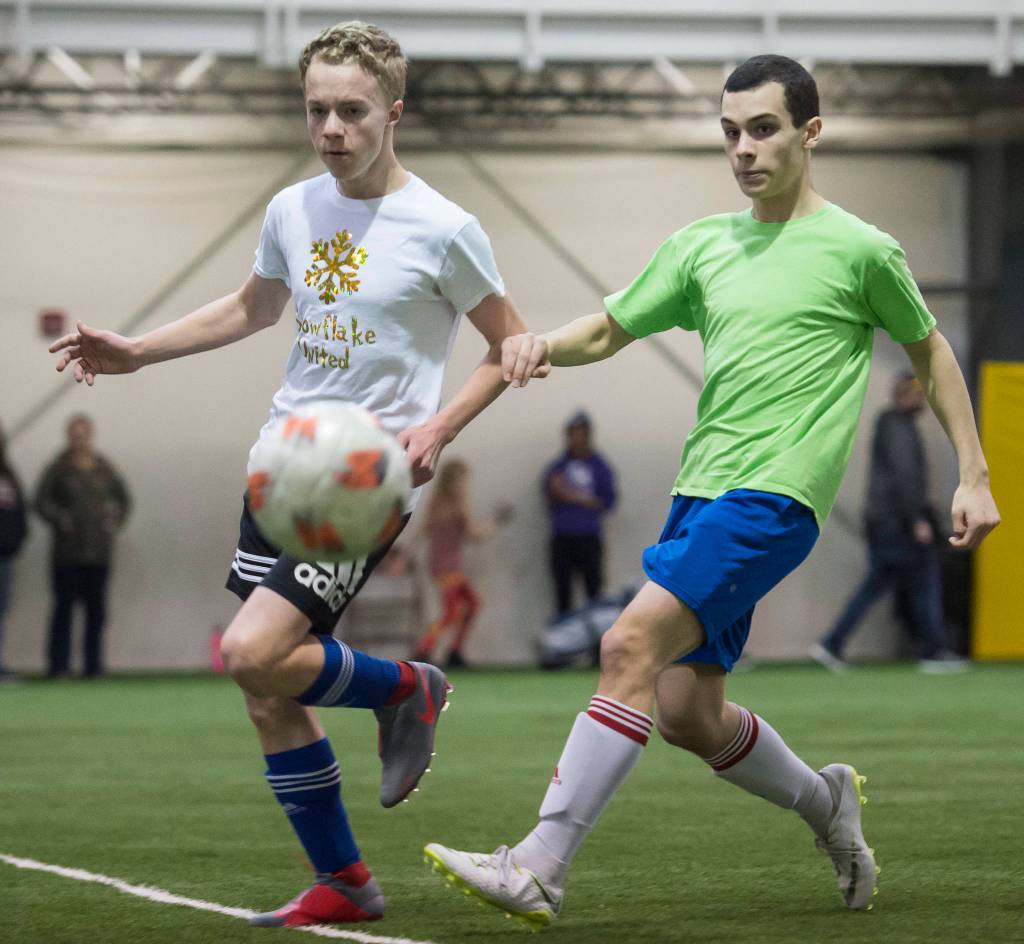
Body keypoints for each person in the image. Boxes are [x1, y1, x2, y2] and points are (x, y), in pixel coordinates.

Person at [423, 55, 1000, 928]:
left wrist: (974, 474)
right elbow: (611, 327)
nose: (743, 148)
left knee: (627, 644)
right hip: (702, 493)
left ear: (810, 132)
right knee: (691, 713)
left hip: (776, 500)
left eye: (762, 129)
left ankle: (539, 865)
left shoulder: (862, 250)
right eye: (730, 132)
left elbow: (931, 353)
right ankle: (826, 805)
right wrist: (537, 343)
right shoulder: (701, 247)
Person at [48, 20, 527, 929]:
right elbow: (254, 305)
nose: (332, 129)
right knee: (265, 687)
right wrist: (139, 352)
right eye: (317, 111)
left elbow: (509, 348)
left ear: (394, 112)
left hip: (363, 480)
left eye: (351, 111)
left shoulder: (446, 229)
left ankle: (408, 688)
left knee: (249, 652)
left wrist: (439, 427)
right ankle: (345, 882)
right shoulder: (292, 209)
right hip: (282, 466)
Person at [811, 373, 966, 672]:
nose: (921, 400)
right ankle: (933, 651)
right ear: (904, 395)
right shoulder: (897, 427)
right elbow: (905, 476)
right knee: (924, 581)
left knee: (878, 584)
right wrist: (917, 519)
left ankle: (832, 644)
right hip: (897, 523)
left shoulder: (892, 425)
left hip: (887, 521)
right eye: (917, 394)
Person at [35, 414, 131, 678]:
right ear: (69, 436)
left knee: (96, 612)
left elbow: (123, 499)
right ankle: (58, 666)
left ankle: (93, 666)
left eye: (84, 434)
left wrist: (114, 520)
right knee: (64, 610)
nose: (80, 440)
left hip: (98, 553)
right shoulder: (58, 468)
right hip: (67, 554)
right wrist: (59, 518)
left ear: (90, 435)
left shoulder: (103, 468)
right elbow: (41, 501)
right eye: (75, 435)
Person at [411, 458, 511, 669]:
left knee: (472, 604)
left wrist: (406, 555)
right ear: (453, 481)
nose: (464, 484)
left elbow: (422, 532)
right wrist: (496, 522)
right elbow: (474, 535)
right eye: (462, 479)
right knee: (451, 611)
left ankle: (454, 649)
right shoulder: (457, 505)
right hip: (448, 569)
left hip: (442, 566)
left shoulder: (435, 503)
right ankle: (425, 648)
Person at [543, 411, 617, 616]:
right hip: (563, 537)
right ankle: (563, 644)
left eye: (581, 433)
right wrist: (558, 493)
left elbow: (608, 501)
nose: (576, 438)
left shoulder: (599, 466)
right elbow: (548, 500)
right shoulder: (558, 467)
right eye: (573, 433)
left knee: (594, 593)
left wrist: (574, 496)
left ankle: (596, 646)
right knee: (563, 595)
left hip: (588, 537)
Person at [0, 421, 28, 680]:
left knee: (0, 611)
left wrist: (16, 540)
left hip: (3, 557)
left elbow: (19, 512)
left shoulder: (8, 475)